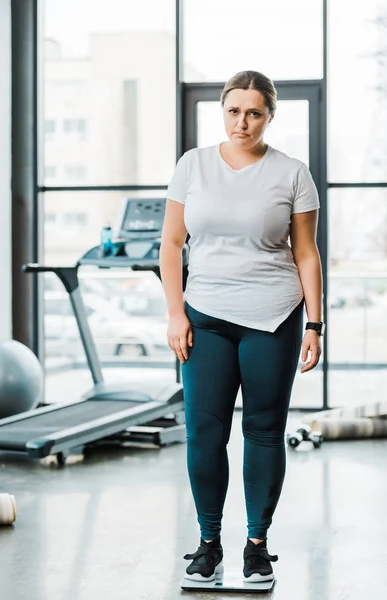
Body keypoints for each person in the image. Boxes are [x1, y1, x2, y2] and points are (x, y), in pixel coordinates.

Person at [159, 70, 324, 584]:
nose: (242, 122)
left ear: (270, 116)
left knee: (264, 430)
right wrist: (175, 313)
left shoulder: (293, 172)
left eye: (254, 112)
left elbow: (306, 253)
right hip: (204, 316)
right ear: (222, 112)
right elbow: (170, 244)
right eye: (234, 111)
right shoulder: (193, 166)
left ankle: (257, 546)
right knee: (204, 433)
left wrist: (315, 323)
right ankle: (208, 545)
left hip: (273, 317)